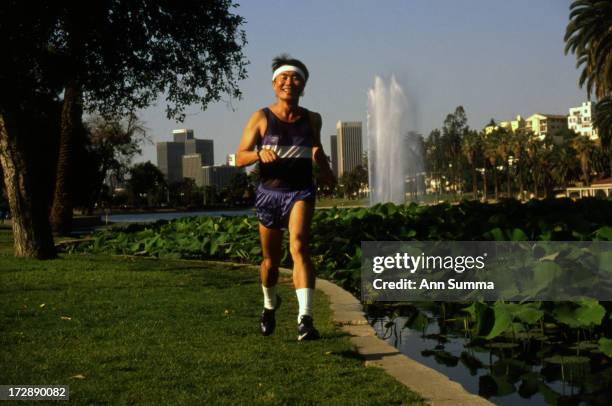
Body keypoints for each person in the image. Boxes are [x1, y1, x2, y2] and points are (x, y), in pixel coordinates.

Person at [236, 54, 335, 340]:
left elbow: (315, 149)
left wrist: (326, 171)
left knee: (300, 246)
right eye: (284, 78)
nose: (289, 83)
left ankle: (305, 319)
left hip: (301, 191)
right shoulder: (261, 118)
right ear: (274, 84)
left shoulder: (312, 119)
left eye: (295, 79)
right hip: (269, 194)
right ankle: (269, 306)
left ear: (303, 86)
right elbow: (238, 157)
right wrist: (258, 154)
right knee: (270, 262)